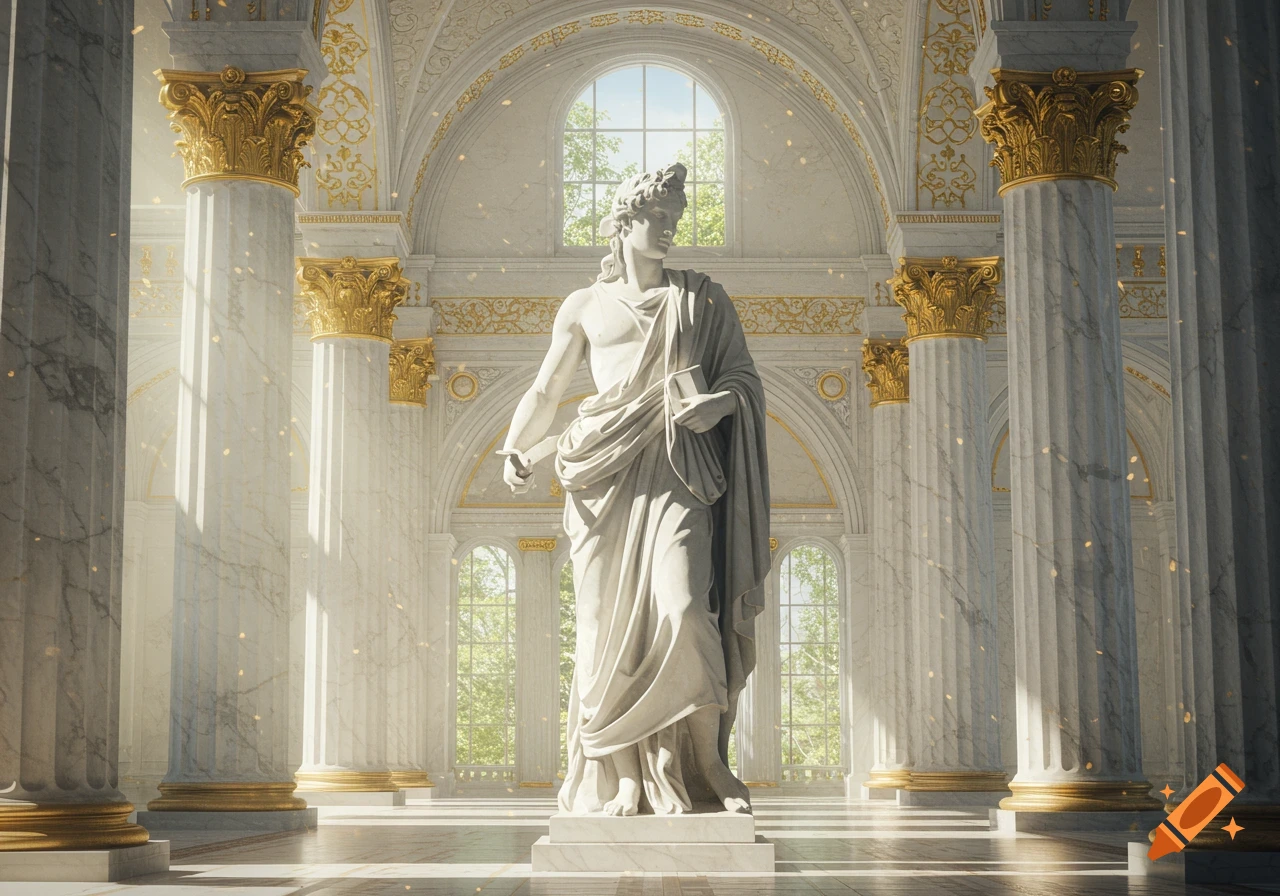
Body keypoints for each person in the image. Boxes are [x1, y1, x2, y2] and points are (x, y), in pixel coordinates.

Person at [501, 163, 770, 816]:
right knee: (601, 630)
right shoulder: (585, 306)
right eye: (661, 218)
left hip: (680, 469)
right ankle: (622, 774)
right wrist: (515, 445)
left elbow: (744, 379)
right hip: (601, 474)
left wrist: (719, 404)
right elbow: (547, 388)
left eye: (677, 219)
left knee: (685, 609)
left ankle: (707, 762)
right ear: (625, 221)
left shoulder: (703, 299)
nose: (671, 230)